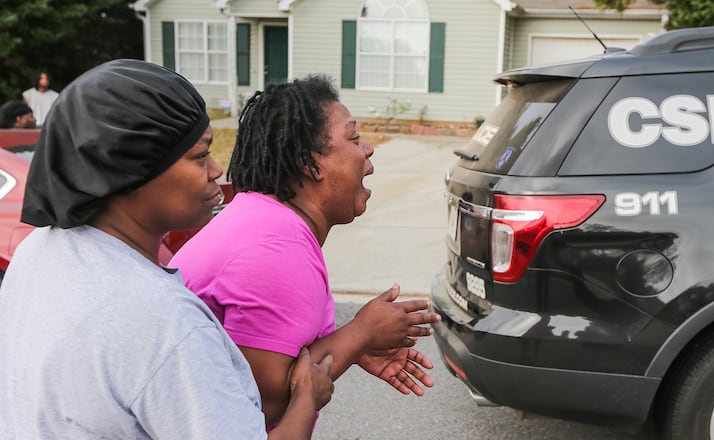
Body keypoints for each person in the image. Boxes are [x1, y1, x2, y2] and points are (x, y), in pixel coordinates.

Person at [0, 59, 334, 439]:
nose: (216, 169)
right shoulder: (167, 323)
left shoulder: (37, 253)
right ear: (132, 170)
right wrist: (308, 397)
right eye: (199, 155)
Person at [170, 74, 441, 430]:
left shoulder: (263, 219)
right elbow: (263, 407)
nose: (368, 148)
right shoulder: (277, 248)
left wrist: (351, 346)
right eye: (354, 138)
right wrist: (361, 333)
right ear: (309, 164)